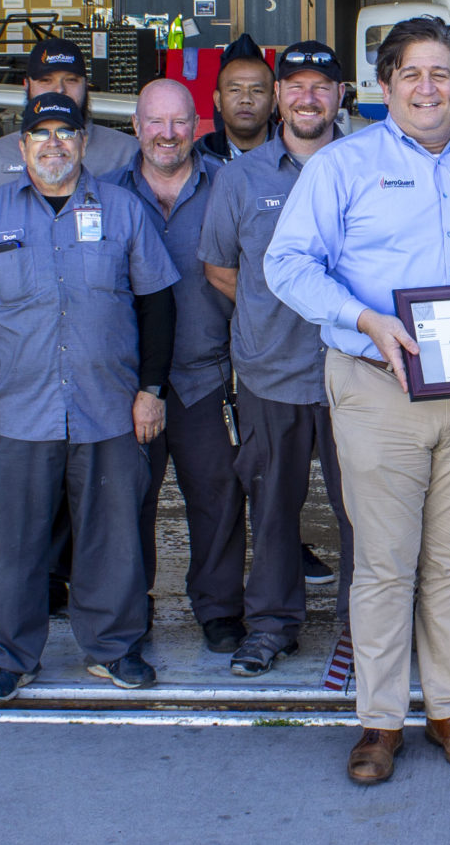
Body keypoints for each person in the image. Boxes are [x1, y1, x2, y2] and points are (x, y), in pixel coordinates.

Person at [267, 16, 450, 785]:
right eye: (411, 74)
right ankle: (380, 720)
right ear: (384, 86)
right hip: (378, 384)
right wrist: (365, 319)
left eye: (441, 74)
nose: (427, 88)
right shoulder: (343, 165)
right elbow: (287, 262)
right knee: (387, 564)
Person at [0, 93, 177, 698]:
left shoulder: (122, 210)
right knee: (17, 543)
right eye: (39, 134)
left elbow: (157, 305)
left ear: (82, 144)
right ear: (22, 148)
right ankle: (9, 656)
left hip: (108, 407)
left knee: (112, 537)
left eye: (64, 134)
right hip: (15, 412)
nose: (53, 144)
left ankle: (113, 649)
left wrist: (150, 390)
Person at [200, 40, 359, 678]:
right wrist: (278, 305)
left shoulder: (368, 164)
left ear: (341, 95)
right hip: (271, 373)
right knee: (270, 510)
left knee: (366, 514)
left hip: (358, 372)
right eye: (295, 85)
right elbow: (218, 267)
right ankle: (270, 625)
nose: (308, 97)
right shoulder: (240, 177)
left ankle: (361, 629)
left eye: (322, 86)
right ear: (277, 96)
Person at [121, 78, 250, 654]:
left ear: (197, 124)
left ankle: (219, 608)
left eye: (179, 122)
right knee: (125, 501)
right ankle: (128, 608)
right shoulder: (105, 193)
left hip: (208, 375)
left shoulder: (228, 184)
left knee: (219, 498)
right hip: (127, 384)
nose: (167, 134)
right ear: (136, 126)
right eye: (155, 122)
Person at [0, 37, 139, 231]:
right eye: (45, 80)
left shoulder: (127, 153)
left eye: (71, 80)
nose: (59, 90)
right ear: (26, 85)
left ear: (86, 85)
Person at [199, 34, 277, 164]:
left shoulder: (295, 157)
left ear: (273, 102)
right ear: (218, 100)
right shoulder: (196, 159)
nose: (246, 99)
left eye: (257, 91)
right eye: (235, 90)